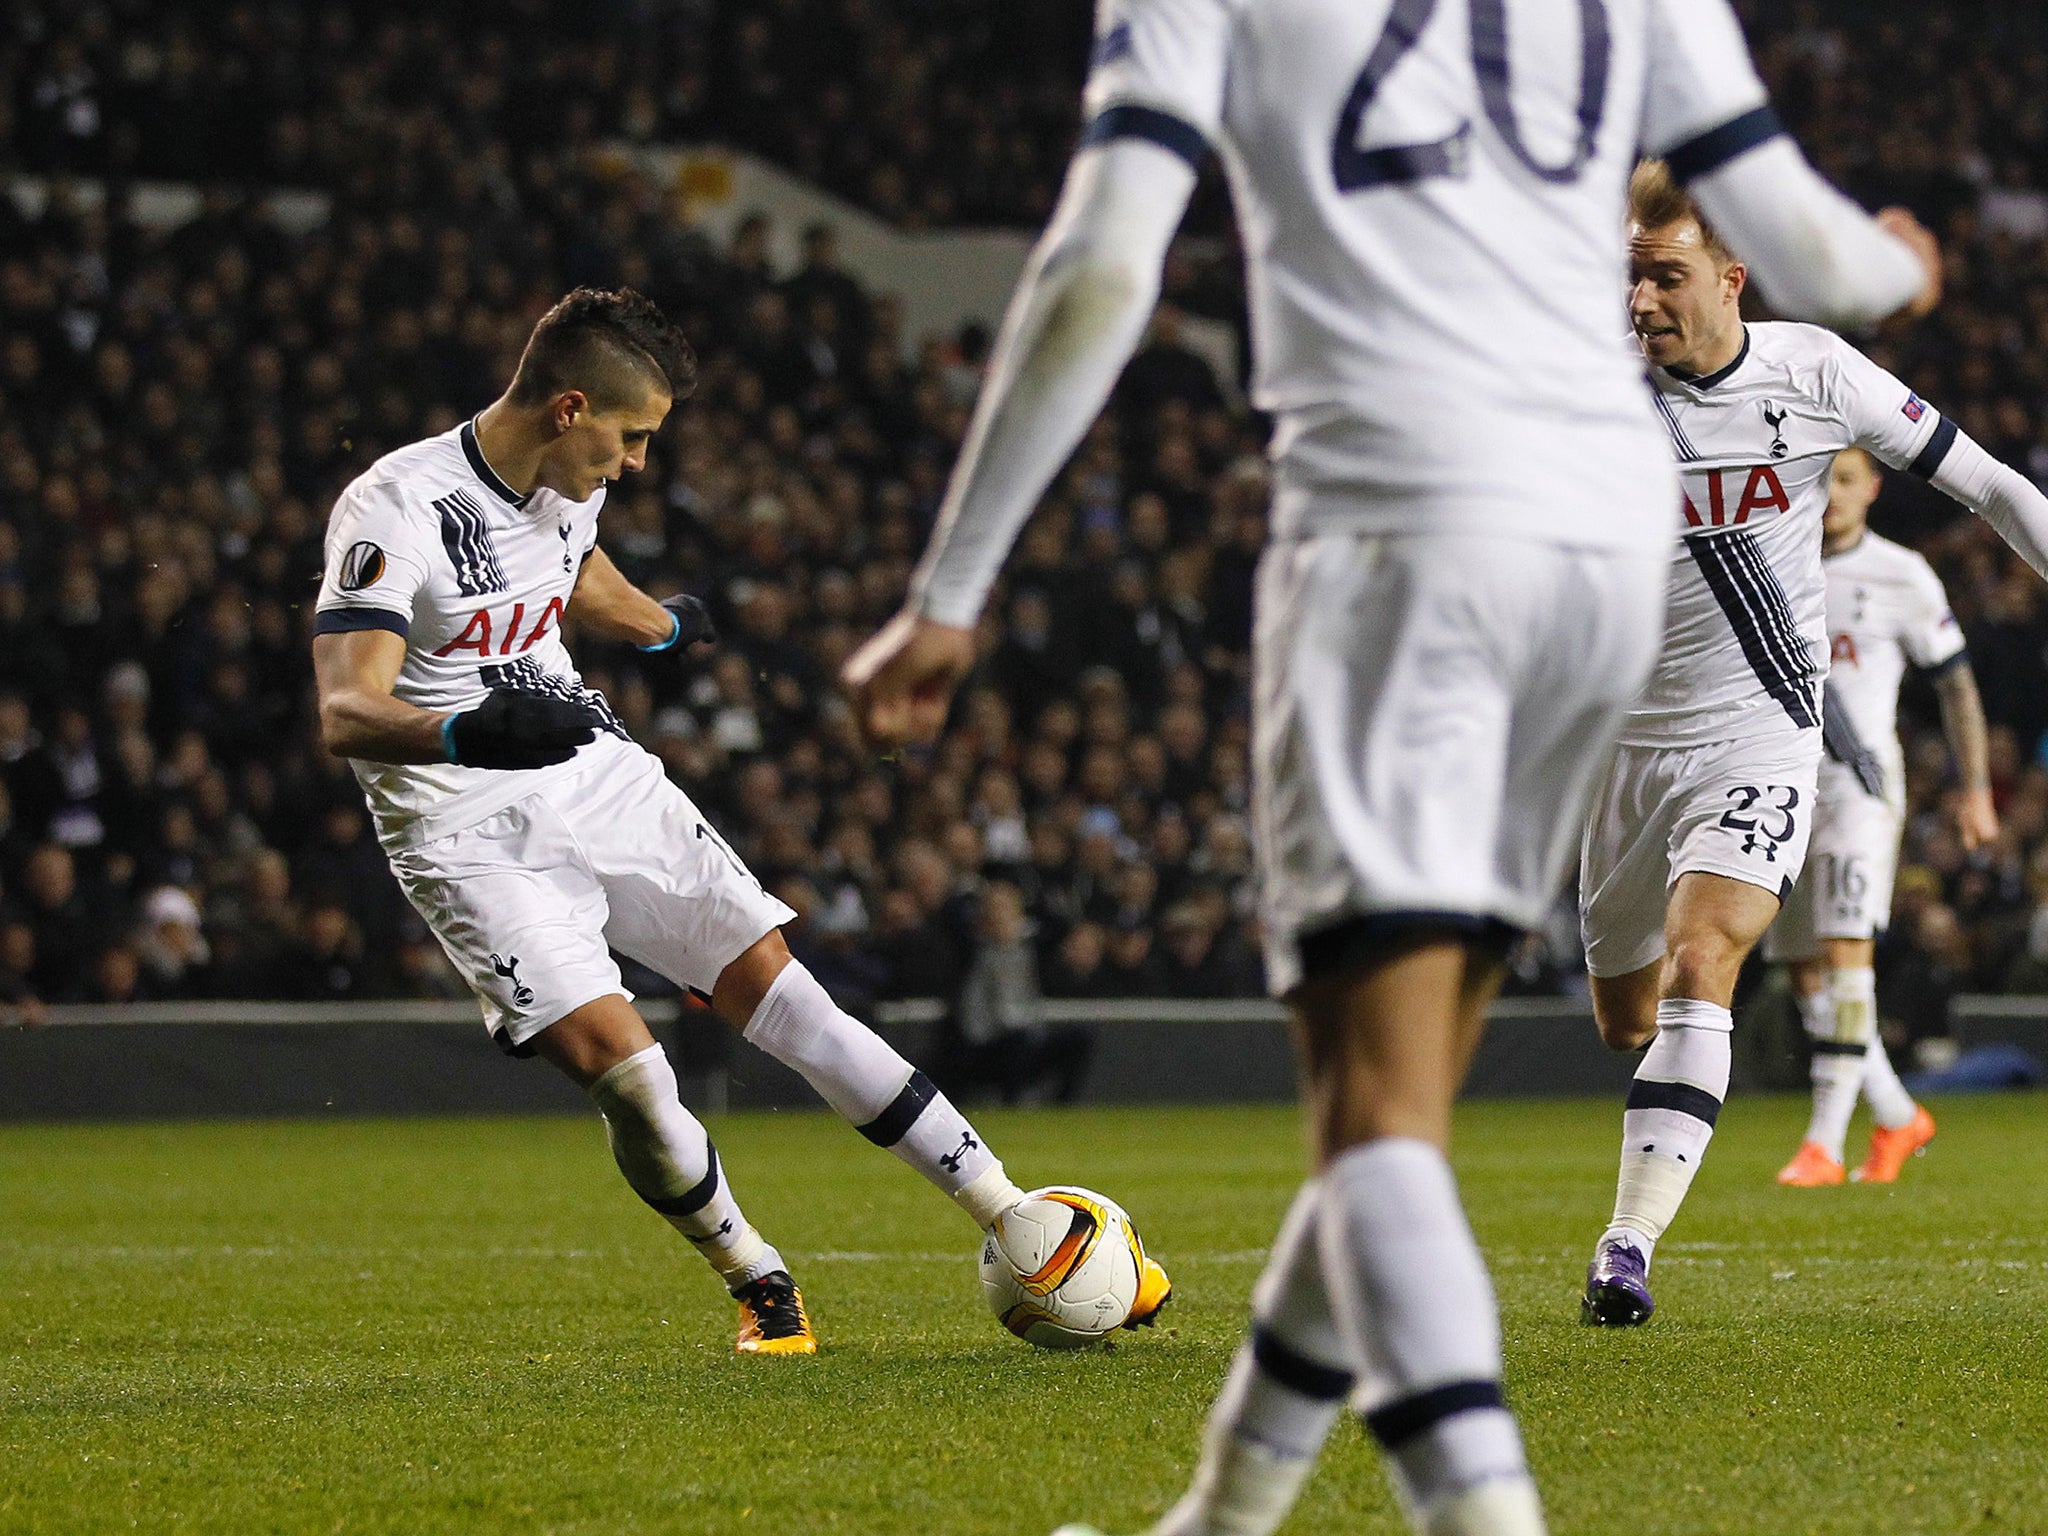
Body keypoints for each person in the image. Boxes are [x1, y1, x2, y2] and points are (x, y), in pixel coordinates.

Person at [841, 1, 1937, 1531]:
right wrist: (1906, 263)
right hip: (1602, 563)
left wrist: (950, 591)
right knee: (1389, 1116)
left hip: (1401, 541)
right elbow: (1829, 263)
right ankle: (1220, 1513)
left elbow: (1100, 265)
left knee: (1373, 1123)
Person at [309, 288, 1136, 1357]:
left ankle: (1019, 1222)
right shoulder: (393, 509)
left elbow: (571, 565)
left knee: (790, 1000)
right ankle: (754, 1274)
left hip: (595, 773)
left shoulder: (569, 481)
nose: (639, 463)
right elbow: (345, 709)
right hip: (462, 825)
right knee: (633, 1078)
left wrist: (655, 623)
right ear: (569, 408)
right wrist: (468, 733)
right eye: (633, 437)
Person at [1578, 164, 2048, 1329]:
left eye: (1662, 276)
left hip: (1757, 731)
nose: (1638, 302)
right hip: (1620, 746)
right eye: (1628, 277)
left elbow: (1989, 486)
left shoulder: (1815, 374)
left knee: (1707, 963)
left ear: (1728, 279)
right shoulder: (1581, 388)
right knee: (1623, 1017)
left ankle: (1623, 1248)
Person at [1760, 449, 1991, 1185]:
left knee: (1845, 948)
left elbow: (1956, 688)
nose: (1832, 494)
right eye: (1821, 478)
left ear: (1873, 488)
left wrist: (1976, 789)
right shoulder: (1771, 564)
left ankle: (1823, 1143)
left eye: (1848, 479)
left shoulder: (1902, 573)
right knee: (1803, 968)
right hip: (1776, 787)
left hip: (1859, 785)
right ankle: (1896, 1115)